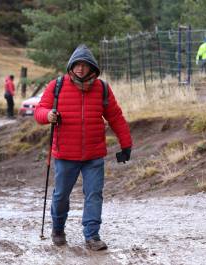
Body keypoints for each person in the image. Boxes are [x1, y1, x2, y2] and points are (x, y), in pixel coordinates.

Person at [34, 44, 132, 251]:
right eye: (76, 64)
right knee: (61, 195)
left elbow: (115, 117)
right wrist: (48, 115)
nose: (80, 68)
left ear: (91, 68)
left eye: (84, 65)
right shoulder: (57, 86)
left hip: (93, 154)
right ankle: (58, 229)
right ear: (71, 66)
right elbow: (39, 111)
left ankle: (92, 235)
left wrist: (126, 144)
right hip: (65, 154)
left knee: (94, 194)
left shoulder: (102, 88)